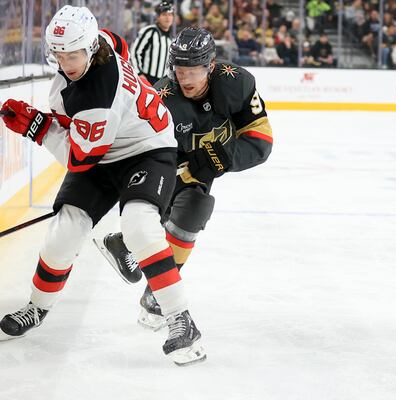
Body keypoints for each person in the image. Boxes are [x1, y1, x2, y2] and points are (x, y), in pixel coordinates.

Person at [0, 5, 206, 366]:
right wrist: (54, 121)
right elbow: (121, 45)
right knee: (64, 232)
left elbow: (79, 159)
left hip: (146, 150)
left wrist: (39, 128)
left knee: (139, 227)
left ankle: (181, 320)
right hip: (103, 148)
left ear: (90, 49)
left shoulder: (97, 97)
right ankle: (37, 306)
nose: (66, 62)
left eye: (73, 53)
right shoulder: (104, 41)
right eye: (59, 54)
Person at [96, 27, 273, 330]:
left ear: (211, 66)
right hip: (169, 159)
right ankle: (148, 276)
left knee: (194, 206)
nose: (185, 79)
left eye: (193, 70)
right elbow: (146, 152)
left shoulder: (237, 83)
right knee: (192, 207)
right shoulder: (164, 98)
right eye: (179, 70)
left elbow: (260, 139)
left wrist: (227, 157)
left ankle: (135, 259)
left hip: (209, 163)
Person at [129, 1, 175, 85]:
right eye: (164, 15)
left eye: (170, 15)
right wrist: (139, 73)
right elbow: (134, 52)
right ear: (157, 17)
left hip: (162, 82)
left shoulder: (172, 38)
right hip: (146, 78)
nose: (168, 18)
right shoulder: (149, 32)